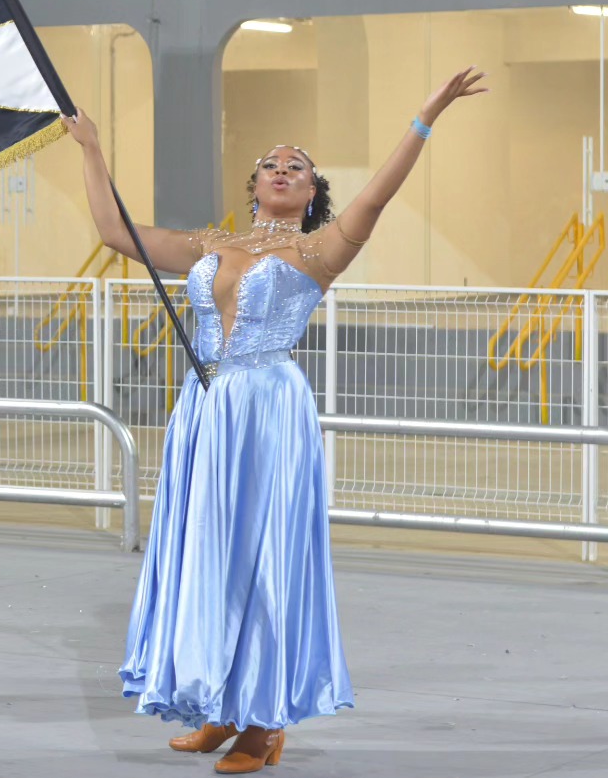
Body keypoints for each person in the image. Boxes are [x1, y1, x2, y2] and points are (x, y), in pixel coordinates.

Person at [66, 67, 487, 774]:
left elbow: (379, 194)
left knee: (263, 558)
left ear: (313, 191)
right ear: (254, 183)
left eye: (299, 166)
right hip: (205, 409)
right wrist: (91, 147)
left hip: (267, 410)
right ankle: (222, 708)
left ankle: (262, 722)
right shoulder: (210, 244)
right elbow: (115, 231)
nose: (284, 168)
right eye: (271, 162)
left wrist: (425, 116)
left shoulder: (319, 252)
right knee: (212, 552)